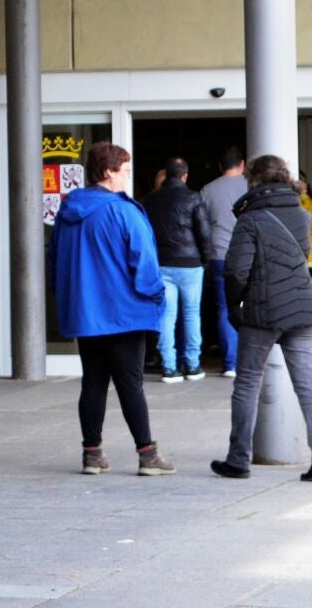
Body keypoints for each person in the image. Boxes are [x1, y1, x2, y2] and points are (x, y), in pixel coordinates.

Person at [51, 141, 176, 477]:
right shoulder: (124, 211)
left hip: (86, 313)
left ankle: (92, 454)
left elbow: (56, 261)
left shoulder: (68, 211)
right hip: (125, 312)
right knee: (130, 384)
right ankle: (148, 455)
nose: (128, 177)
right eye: (125, 170)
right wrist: (156, 297)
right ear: (109, 172)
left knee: (93, 382)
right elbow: (145, 264)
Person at [210, 154, 312, 483]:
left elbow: (236, 271)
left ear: (253, 181)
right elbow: (301, 256)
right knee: (306, 383)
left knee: (248, 382)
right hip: (302, 306)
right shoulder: (301, 214)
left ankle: (238, 459)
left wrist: (234, 306)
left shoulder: (250, 219)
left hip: (263, 311)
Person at [141, 157, 213, 383]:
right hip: (191, 265)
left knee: (166, 315)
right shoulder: (193, 197)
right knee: (191, 314)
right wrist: (206, 259)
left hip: (162, 264)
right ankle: (192, 365)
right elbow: (204, 231)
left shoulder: (150, 199)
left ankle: (169, 367)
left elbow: (145, 234)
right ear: (185, 176)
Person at [200, 146, 248, 377]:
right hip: (247, 254)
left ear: (220, 166)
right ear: (243, 164)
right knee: (253, 306)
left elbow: (202, 225)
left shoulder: (208, 190)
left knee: (224, 309)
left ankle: (231, 363)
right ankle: (252, 360)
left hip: (219, 254)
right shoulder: (251, 186)